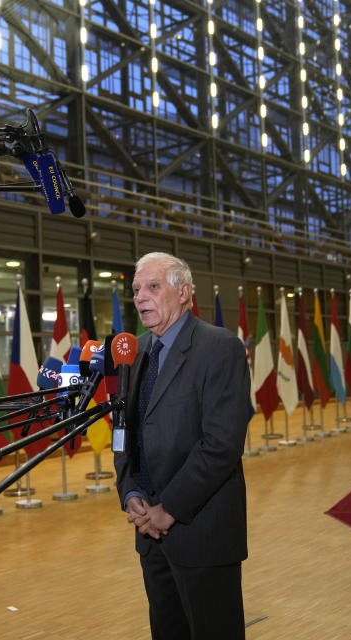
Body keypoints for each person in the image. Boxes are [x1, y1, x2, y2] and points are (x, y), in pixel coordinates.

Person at [114, 252, 252, 640]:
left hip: (202, 533)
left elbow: (221, 445)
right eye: (137, 289)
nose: (141, 297)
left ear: (184, 292)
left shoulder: (219, 348)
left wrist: (168, 509)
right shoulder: (134, 352)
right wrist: (131, 492)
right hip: (149, 535)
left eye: (153, 287)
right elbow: (122, 430)